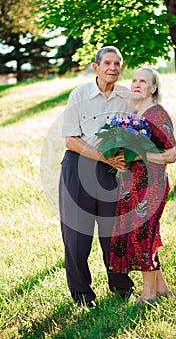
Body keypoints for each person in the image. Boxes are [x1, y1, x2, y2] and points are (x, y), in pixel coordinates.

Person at [59, 46, 134, 308]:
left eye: (118, 63)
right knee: (77, 236)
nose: (113, 68)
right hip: (78, 166)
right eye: (108, 63)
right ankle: (82, 294)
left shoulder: (126, 97)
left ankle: (121, 285)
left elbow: (135, 132)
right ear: (96, 67)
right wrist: (104, 157)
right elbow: (70, 140)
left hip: (110, 171)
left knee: (113, 232)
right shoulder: (79, 95)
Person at [109, 67, 176, 304]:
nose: (137, 84)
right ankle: (162, 289)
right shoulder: (134, 115)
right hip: (132, 184)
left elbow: (171, 155)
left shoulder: (157, 114)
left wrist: (140, 156)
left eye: (143, 81)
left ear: (153, 88)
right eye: (134, 80)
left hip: (153, 185)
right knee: (144, 233)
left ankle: (148, 295)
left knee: (142, 234)